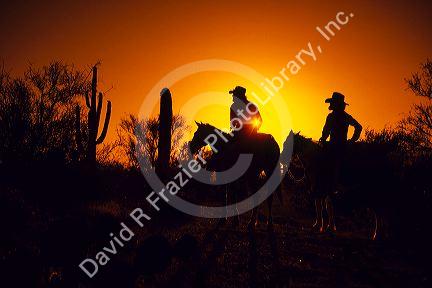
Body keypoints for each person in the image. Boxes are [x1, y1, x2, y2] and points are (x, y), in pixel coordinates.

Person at [316, 92, 362, 232]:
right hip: (341, 146)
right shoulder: (345, 117)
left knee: (325, 165)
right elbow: (358, 127)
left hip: (335, 147)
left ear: (335, 104)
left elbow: (325, 132)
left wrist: (323, 140)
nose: (330, 105)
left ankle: (328, 183)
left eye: (332, 103)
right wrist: (352, 141)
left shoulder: (332, 116)